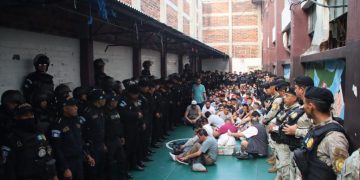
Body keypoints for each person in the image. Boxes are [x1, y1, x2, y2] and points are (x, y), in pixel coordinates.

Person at [293, 87, 349, 180]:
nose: (303, 107)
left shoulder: (334, 137)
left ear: (311, 106)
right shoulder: (316, 127)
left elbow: (343, 175)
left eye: (304, 103)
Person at [2, 103, 58, 180]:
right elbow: (8, 169)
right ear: (17, 117)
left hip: (45, 175)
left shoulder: (40, 133)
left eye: (31, 115)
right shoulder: (12, 138)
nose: (29, 117)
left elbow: (48, 154)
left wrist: (54, 174)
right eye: (25, 115)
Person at [50, 98, 94, 180]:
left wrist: (88, 155)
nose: (76, 108)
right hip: (67, 162)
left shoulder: (77, 121)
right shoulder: (57, 124)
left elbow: (80, 141)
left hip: (79, 160)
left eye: (76, 105)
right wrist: (65, 168)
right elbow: (56, 149)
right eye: (73, 106)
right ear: (65, 108)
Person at [103, 92, 132, 180]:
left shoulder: (115, 110)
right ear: (110, 102)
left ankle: (123, 176)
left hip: (117, 139)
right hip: (109, 140)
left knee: (122, 159)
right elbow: (102, 129)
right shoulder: (104, 113)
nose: (116, 102)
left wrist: (121, 136)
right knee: (111, 162)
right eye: (115, 101)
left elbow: (119, 124)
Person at [81, 89, 107, 180]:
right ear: (97, 100)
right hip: (91, 147)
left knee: (101, 169)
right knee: (92, 172)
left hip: (100, 145)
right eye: (103, 99)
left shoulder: (100, 110)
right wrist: (87, 153)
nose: (105, 100)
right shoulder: (87, 112)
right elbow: (82, 133)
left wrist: (103, 143)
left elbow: (100, 130)